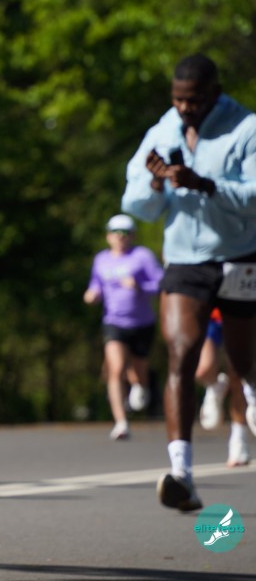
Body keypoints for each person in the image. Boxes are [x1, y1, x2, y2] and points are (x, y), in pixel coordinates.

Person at [121, 53, 256, 513]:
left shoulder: (246, 128)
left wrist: (206, 184)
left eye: (193, 100)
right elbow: (136, 204)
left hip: (239, 255)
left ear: (215, 92)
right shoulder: (162, 131)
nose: (184, 109)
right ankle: (181, 474)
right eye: (177, 99)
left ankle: (249, 400)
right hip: (184, 258)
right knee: (180, 353)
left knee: (244, 360)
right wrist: (156, 185)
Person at [82, 214, 163, 441]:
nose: (120, 237)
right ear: (108, 236)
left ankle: (141, 385)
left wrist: (140, 286)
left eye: (125, 233)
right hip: (113, 322)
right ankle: (121, 422)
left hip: (142, 323)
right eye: (116, 232)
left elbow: (161, 283)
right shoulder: (101, 260)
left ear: (132, 235)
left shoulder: (142, 256)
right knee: (115, 369)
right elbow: (96, 283)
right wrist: (93, 293)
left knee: (139, 367)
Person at [195, 308, 251, 467]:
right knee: (203, 369)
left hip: (239, 312)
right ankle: (215, 386)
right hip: (212, 316)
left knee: (237, 375)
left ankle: (239, 441)